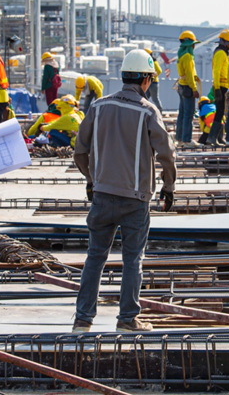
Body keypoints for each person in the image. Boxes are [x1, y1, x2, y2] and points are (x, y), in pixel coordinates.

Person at [72, 49, 177, 333]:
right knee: (132, 260)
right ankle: (127, 319)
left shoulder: (98, 107)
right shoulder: (147, 111)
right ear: (145, 79)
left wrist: (92, 179)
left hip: (102, 196)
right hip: (135, 200)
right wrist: (168, 187)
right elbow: (167, 154)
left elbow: (79, 150)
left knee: (95, 257)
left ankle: (82, 320)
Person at [207, 30, 229, 146]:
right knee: (219, 112)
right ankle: (212, 138)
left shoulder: (223, 53)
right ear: (223, 42)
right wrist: (217, 88)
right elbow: (217, 71)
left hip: (223, 86)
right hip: (220, 87)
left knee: (221, 112)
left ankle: (219, 138)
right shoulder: (220, 53)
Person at [176, 30, 200, 147]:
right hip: (188, 87)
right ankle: (187, 140)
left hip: (181, 85)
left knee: (182, 114)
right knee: (188, 115)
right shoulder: (188, 57)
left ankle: (180, 139)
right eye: (193, 44)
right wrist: (194, 89)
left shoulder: (180, 55)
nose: (194, 47)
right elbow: (190, 75)